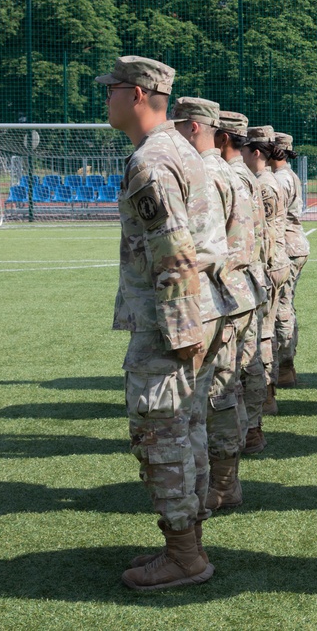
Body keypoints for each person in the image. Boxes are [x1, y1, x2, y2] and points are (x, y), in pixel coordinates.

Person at [98, 55, 214, 590]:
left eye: (112, 89)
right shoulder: (179, 150)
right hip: (191, 317)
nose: (106, 98)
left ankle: (184, 555)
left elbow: (174, 252)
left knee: (159, 431)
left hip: (171, 324)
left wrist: (182, 332)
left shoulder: (151, 161)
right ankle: (188, 542)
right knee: (185, 428)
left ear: (139, 94)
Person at [173, 97, 259, 510]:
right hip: (240, 289)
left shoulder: (205, 173)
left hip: (220, 291)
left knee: (214, 397)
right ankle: (225, 480)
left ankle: (219, 485)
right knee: (226, 391)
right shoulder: (230, 171)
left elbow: (200, 247)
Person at [218, 111, 273, 454]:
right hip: (252, 277)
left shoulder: (226, 175)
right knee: (248, 359)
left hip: (233, 281)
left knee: (229, 369)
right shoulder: (248, 176)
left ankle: (237, 436)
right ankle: (252, 428)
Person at [243, 126, 292, 420]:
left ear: (257, 153)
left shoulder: (263, 184)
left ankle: (265, 396)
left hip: (269, 262)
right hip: (275, 260)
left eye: (245, 150)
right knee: (264, 330)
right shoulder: (268, 180)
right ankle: (266, 392)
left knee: (262, 333)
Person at [270, 133, 310, 389]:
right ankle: (287, 364)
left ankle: (284, 366)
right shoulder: (288, 175)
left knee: (282, 308)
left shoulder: (280, 179)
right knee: (286, 305)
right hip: (293, 244)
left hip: (287, 246)